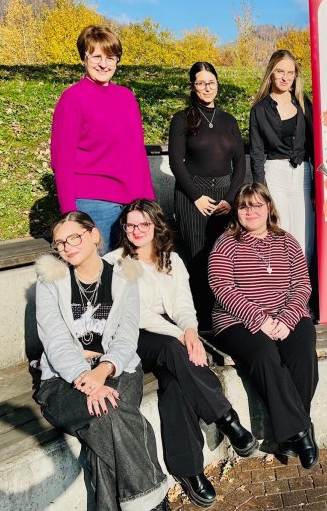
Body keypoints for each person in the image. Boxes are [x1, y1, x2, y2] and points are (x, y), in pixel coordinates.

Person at [106, 199, 258, 508]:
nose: (136, 230)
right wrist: (181, 336)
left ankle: (189, 470)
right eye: (130, 225)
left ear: (156, 226)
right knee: (171, 348)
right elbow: (139, 315)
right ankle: (227, 419)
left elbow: (184, 305)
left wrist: (190, 331)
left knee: (177, 384)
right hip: (130, 337)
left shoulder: (172, 259)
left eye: (143, 224)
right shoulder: (117, 263)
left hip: (169, 337)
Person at [32, 211, 169, 511]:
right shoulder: (50, 282)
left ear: (94, 235)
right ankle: (155, 502)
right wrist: (86, 378)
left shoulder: (124, 276)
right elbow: (54, 340)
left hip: (117, 369)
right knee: (108, 414)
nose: (67, 247)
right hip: (62, 380)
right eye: (59, 243)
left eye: (74, 237)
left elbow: (126, 335)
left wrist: (103, 370)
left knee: (104, 423)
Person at [208, 182, 319, 469]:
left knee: (302, 354)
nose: (251, 211)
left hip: (288, 315)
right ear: (237, 212)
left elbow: (302, 285)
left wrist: (287, 318)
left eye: (258, 204)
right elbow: (221, 286)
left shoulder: (287, 241)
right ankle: (301, 432)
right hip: (237, 320)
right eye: (244, 206)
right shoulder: (227, 243)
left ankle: (287, 435)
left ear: (269, 207)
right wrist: (260, 319)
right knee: (264, 355)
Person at [50, 25, 155, 253]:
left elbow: (137, 153)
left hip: (133, 203)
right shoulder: (72, 99)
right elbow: (62, 160)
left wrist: (149, 203)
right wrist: (71, 215)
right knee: (99, 276)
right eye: (96, 56)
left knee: (130, 275)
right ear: (83, 59)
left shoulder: (126, 97)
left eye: (110, 57)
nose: (103, 64)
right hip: (93, 203)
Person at [168, 62, 246, 331]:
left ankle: (224, 314)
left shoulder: (228, 120)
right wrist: (196, 197)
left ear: (217, 84)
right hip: (193, 195)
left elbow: (240, 164)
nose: (206, 87)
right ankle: (201, 320)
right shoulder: (182, 119)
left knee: (224, 256)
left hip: (225, 195)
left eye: (210, 82)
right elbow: (177, 163)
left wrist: (231, 197)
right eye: (200, 83)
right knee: (199, 257)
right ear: (192, 86)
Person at [249, 50, 315, 265]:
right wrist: (261, 191)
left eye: (290, 72)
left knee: (306, 237)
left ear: (296, 76)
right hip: (275, 173)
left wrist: (316, 186)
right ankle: (282, 292)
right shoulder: (259, 110)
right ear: (271, 73)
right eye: (280, 71)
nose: (285, 77)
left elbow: (315, 145)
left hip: (303, 174)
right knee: (281, 232)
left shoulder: (303, 103)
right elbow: (257, 153)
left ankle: (303, 296)